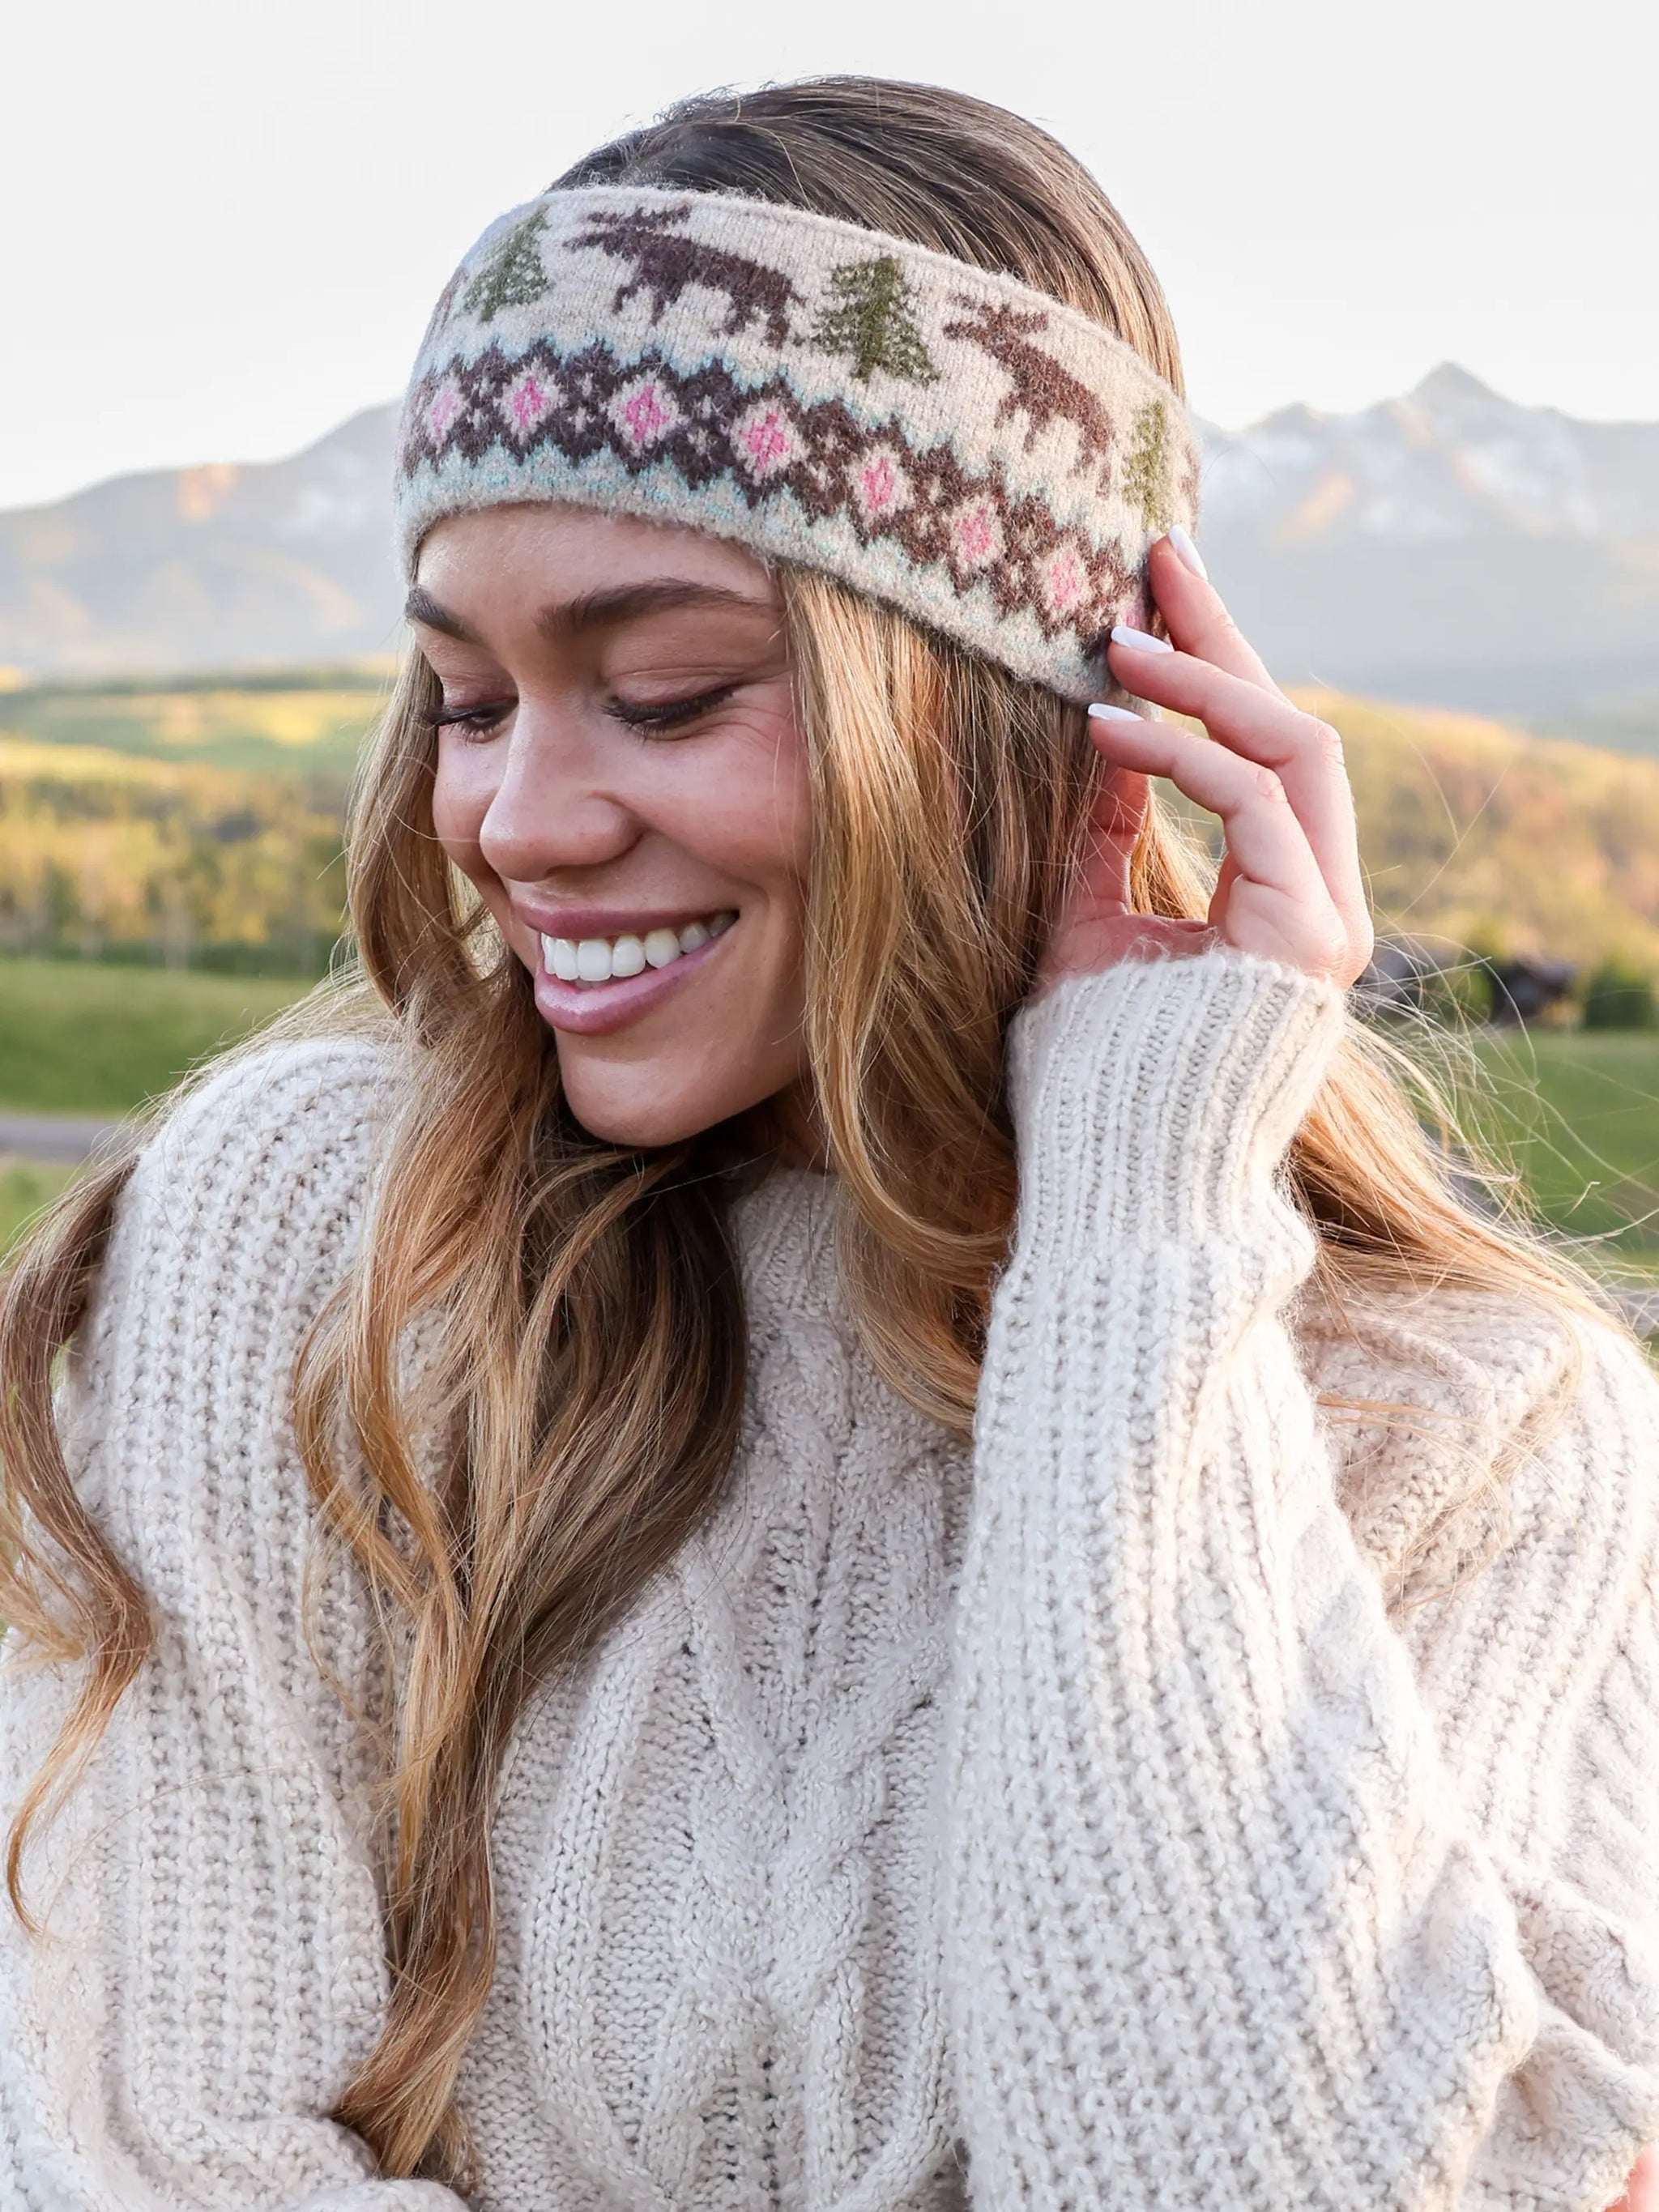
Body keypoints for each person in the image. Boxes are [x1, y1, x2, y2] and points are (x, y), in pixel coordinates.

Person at [0, 70, 1656, 2212]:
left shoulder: (1479, 1431)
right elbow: (144, 2145)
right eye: (471, 698)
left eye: (669, 689)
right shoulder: (312, 1243)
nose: (515, 819)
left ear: (1018, 716)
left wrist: (1140, 1219)